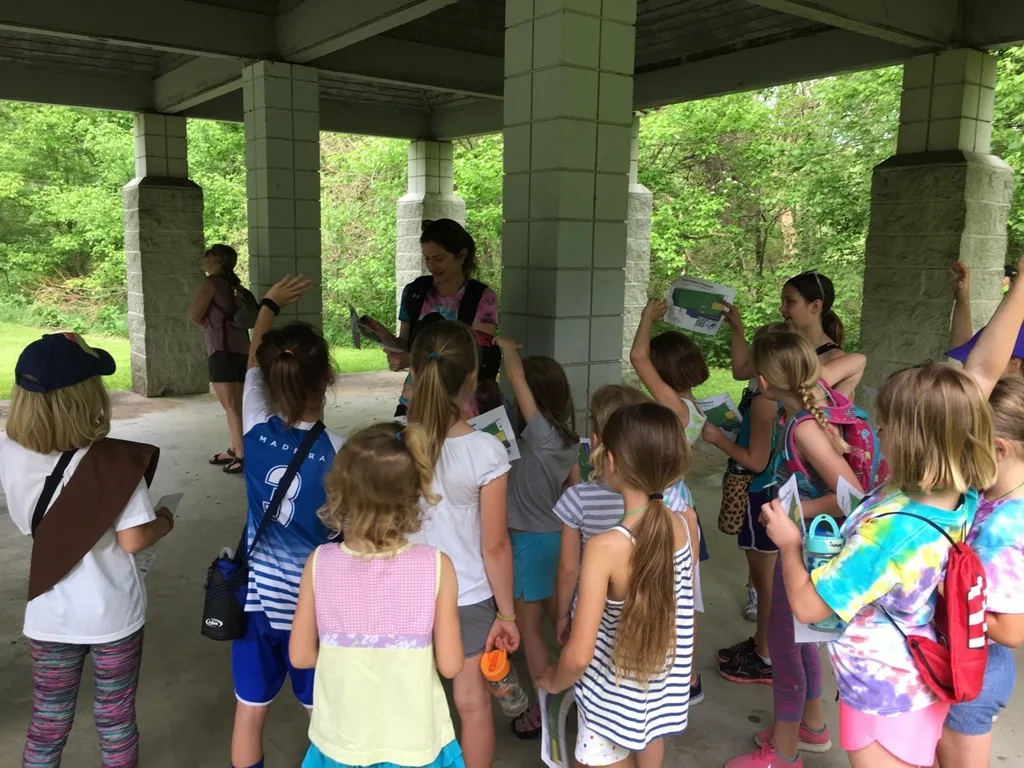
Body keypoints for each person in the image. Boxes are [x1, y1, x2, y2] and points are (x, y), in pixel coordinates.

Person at [760, 265, 1024, 768]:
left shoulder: (892, 534)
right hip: (918, 681)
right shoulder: (957, 491)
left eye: (884, 425)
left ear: (907, 440)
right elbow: (984, 373)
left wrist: (789, 542)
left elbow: (812, 608)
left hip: (882, 694)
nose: (876, 432)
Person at [1, 332, 174, 766]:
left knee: (48, 720)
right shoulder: (112, 464)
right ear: (89, 398)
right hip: (112, 613)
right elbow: (133, 539)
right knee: (114, 718)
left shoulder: (8, 451)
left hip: (48, 610)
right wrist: (167, 520)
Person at [725, 331, 869, 768]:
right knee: (803, 639)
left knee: (785, 645)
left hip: (806, 546)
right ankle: (811, 726)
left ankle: (784, 753)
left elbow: (854, 494)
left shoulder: (805, 427)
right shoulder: (807, 407)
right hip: (805, 540)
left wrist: (791, 511)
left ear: (763, 383)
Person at [289, 422, 466, 768]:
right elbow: (450, 664)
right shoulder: (436, 567)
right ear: (413, 494)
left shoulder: (319, 563)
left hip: (341, 741)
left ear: (339, 491)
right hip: (415, 743)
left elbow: (300, 656)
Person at [537, 402, 699, 768]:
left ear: (611, 461)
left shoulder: (605, 547)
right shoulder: (685, 524)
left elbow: (579, 656)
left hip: (607, 701)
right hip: (660, 694)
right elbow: (686, 610)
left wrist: (554, 681)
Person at [231, 275, 345, 768]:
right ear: (327, 381)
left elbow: (256, 354)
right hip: (312, 607)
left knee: (249, 712)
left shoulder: (254, 424)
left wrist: (269, 305)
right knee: (325, 716)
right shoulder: (338, 450)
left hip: (255, 599)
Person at [405, 319, 519, 768]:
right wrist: (506, 613)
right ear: (472, 377)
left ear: (414, 373)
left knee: (413, 699)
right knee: (472, 704)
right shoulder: (487, 451)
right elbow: (495, 546)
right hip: (468, 594)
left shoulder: (396, 441)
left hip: (406, 589)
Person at [492, 337, 580, 739]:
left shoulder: (541, 432)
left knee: (528, 631)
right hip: (559, 539)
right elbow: (573, 489)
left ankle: (546, 709)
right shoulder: (565, 438)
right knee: (558, 620)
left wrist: (506, 346)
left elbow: (513, 373)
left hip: (527, 543)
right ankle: (580, 691)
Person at [937, 378, 1024, 768]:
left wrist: (939, 589)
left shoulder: (1011, 528)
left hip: (977, 672)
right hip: (960, 657)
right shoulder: (991, 494)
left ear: (999, 449)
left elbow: (1011, 631)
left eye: (965, 449)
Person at [629, 298, 711, 700]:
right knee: (689, 591)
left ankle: (665, 668)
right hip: (686, 504)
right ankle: (689, 676)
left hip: (665, 506)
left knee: (661, 590)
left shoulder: (673, 407)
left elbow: (637, 355)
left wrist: (648, 316)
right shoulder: (698, 409)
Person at [703, 322, 786, 686]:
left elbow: (756, 460)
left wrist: (718, 439)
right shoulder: (786, 393)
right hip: (773, 490)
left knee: (765, 583)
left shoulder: (767, 402)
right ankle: (760, 645)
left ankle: (765, 657)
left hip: (760, 490)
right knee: (766, 578)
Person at [387, 219, 499, 418]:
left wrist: (412, 359)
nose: (431, 265)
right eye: (427, 258)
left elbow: (474, 355)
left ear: (462, 255)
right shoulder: (415, 291)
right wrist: (388, 343)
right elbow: (405, 341)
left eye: (439, 258)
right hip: (415, 397)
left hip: (462, 404)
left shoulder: (482, 298)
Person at [727, 271, 858, 397]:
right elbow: (741, 372)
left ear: (816, 306)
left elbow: (843, 412)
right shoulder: (781, 341)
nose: (782, 308)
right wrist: (737, 330)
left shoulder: (835, 358)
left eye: (790, 301)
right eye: (782, 301)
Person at [188, 244, 251, 474]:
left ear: (217, 260)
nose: (203, 258)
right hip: (242, 349)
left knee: (230, 404)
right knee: (237, 403)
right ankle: (235, 448)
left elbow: (194, 313)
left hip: (220, 350)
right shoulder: (234, 284)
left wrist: (208, 323)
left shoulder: (212, 283)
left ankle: (242, 454)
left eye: (208, 254)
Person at [948, 259, 1024, 376]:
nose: (971, 361)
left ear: (1014, 364)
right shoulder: (993, 383)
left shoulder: (986, 388)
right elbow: (962, 344)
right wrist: (962, 299)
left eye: (982, 353)